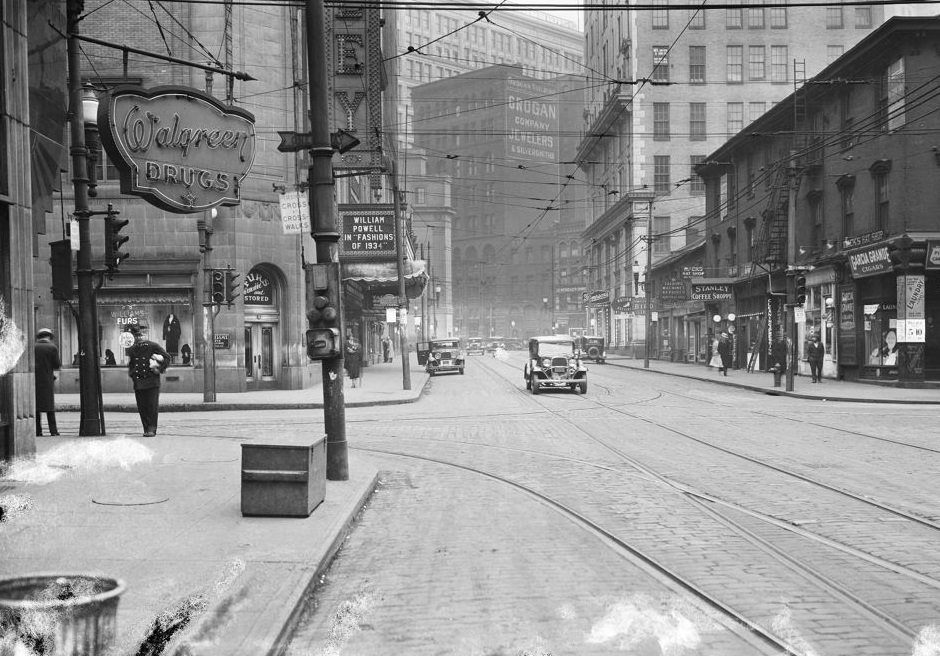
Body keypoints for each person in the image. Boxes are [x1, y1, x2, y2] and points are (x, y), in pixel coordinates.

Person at [126, 324, 170, 437]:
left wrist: (159, 369)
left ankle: (151, 429)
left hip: (151, 382)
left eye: (140, 335)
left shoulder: (153, 346)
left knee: (151, 406)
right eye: (137, 336)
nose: (139, 338)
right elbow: (131, 365)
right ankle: (146, 428)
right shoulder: (132, 349)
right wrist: (133, 375)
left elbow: (167, 357)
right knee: (142, 407)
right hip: (139, 382)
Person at [34, 328, 61, 436]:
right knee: (49, 407)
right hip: (47, 379)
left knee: (36, 407)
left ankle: (38, 431)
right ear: (49, 337)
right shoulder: (52, 347)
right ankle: (53, 431)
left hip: (35, 380)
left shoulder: (33, 347)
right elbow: (57, 365)